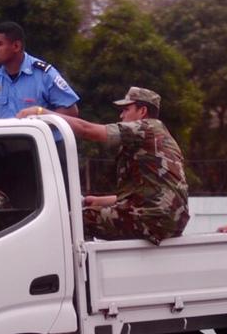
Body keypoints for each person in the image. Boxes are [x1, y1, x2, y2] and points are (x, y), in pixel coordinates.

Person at [18, 86, 188, 244]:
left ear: (143, 111)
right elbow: (143, 194)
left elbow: (87, 130)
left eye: (126, 110)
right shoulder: (156, 136)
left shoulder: (146, 129)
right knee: (89, 212)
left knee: (74, 220)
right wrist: (98, 200)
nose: (121, 116)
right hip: (166, 218)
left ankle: (80, 273)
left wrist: (42, 113)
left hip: (154, 218)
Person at [0, 21, 80, 120]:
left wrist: (41, 121)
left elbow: (71, 110)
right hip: (4, 148)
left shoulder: (43, 73)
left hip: (39, 149)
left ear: (16, 46)